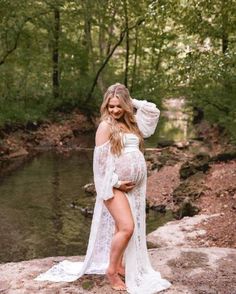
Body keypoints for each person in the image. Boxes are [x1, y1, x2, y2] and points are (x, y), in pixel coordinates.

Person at [35, 83, 171, 294]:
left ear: (125, 105)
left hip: (132, 188)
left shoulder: (132, 123)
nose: (115, 110)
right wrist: (116, 183)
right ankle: (111, 272)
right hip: (112, 185)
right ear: (105, 107)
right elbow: (99, 165)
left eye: (118, 106)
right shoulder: (106, 126)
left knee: (120, 228)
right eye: (110, 106)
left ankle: (117, 264)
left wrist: (130, 100)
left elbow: (153, 110)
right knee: (127, 227)